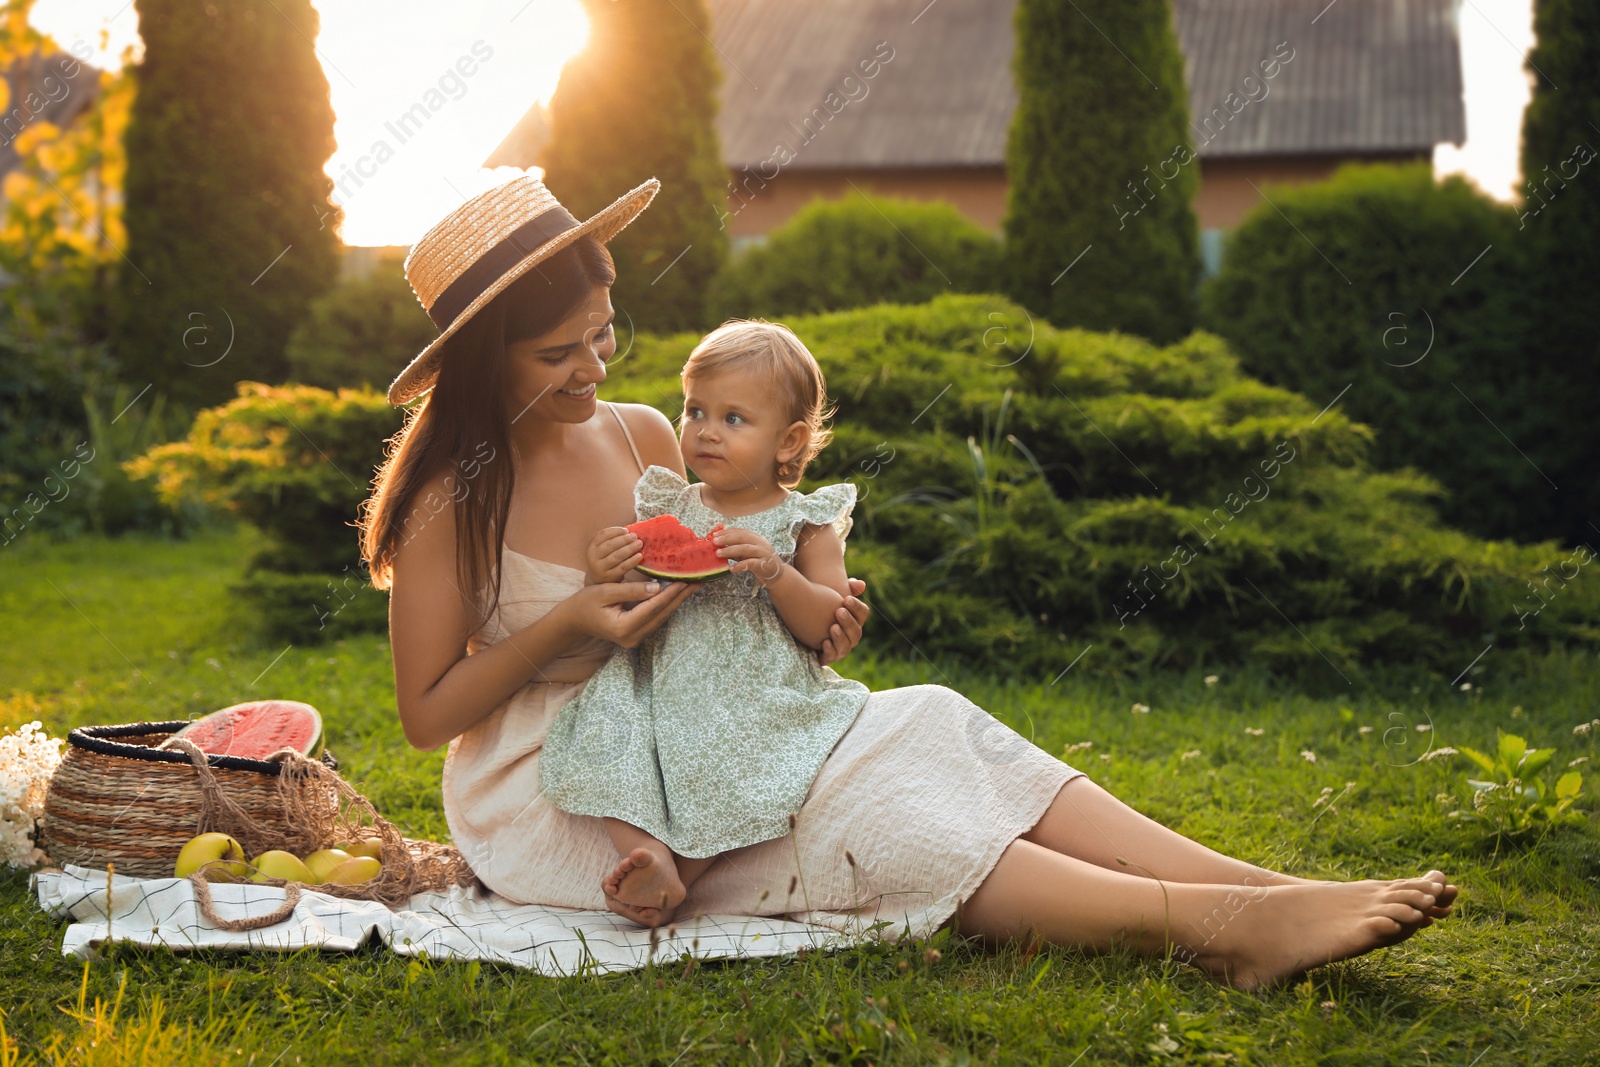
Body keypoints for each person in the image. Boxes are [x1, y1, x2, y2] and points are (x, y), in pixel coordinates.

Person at [360, 175, 1457, 990]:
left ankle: (1259, 886)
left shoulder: (644, 431)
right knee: (875, 805)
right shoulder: (451, 500)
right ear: (482, 355)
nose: (593, 369)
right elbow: (428, 715)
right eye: (558, 352)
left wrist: (799, 597)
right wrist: (564, 620)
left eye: (602, 335)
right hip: (565, 785)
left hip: (707, 714)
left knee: (933, 719)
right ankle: (1213, 930)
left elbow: (717, 579)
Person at [539, 320, 872, 922]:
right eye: (695, 411)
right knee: (606, 732)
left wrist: (776, 572)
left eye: (733, 419)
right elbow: (626, 596)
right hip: (654, 676)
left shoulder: (808, 522)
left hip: (753, 686)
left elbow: (827, 622)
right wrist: (601, 569)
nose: (705, 432)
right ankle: (645, 852)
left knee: (739, 761)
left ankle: (677, 873)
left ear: (790, 441)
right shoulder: (669, 506)